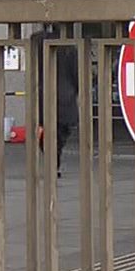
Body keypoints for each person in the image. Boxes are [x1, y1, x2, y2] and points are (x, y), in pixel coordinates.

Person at [32, 22, 80, 178]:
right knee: (60, 133)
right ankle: (54, 163)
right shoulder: (69, 47)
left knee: (46, 130)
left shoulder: (36, 42)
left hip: (43, 95)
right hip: (65, 97)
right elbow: (76, 74)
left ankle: (52, 162)